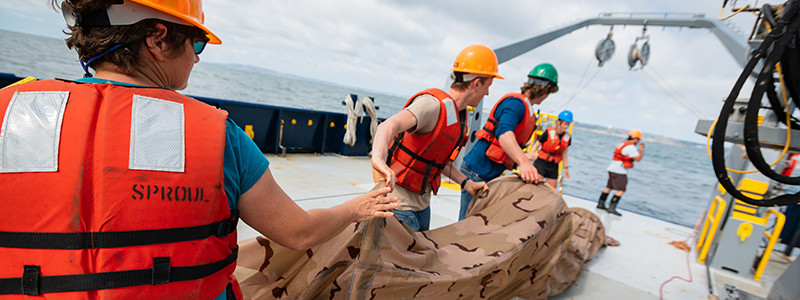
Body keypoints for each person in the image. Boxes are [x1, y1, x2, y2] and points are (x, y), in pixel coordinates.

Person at [0, 1, 397, 299]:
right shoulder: (216, 135)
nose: (196, 56)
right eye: (197, 41)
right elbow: (299, 232)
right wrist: (357, 208)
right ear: (157, 38)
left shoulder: (9, 111)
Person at [371, 44, 502, 231]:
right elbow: (389, 125)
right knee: (402, 259)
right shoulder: (431, 105)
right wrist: (378, 157)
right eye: (488, 86)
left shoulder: (460, 116)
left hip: (423, 206)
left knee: (420, 256)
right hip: (399, 205)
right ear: (477, 83)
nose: (487, 93)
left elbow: (438, 161)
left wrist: (467, 183)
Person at [458, 63, 559, 220]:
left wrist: (525, 155)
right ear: (546, 89)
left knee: (480, 220)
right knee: (467, 221)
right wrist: (524, 162)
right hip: (478, 172)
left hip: (490, 173)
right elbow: (504, 134)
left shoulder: (526, 107)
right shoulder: (516, 104)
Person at [597, 129, 645, 216]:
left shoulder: (622, 143)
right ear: (636, 139)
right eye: (638, 140)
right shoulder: (631, 147)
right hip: (620, 170)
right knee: (621, 189)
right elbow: (638, 159)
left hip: (612, 168)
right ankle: (612, 208)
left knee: (609, 187)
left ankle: (600, 204)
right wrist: (641, 149)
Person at [527, 110, 573, 190]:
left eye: (568, 124)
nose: (566, 126)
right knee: (534, 185)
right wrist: (529, 159)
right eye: (565, 124)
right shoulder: (548, 132)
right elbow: (536, 145)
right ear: (559, 122)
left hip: (553, 165)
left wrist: (566, 168)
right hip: (541, 162)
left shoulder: (567, 137)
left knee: (552, 190)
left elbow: (564, 153)